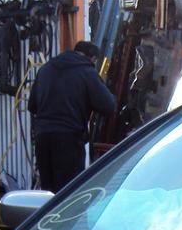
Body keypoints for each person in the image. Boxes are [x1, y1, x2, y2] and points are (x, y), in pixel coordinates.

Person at [28, 41, 116, 191]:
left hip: (43, 138)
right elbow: (108, 105)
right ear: (92, 58)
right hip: (69, 140)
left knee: (48, 191)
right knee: (70, 192)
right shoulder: (87, 72)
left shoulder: (45, 69)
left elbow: (32, 106)